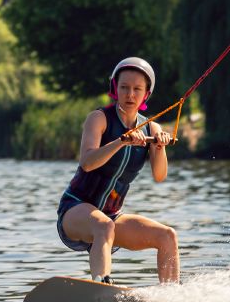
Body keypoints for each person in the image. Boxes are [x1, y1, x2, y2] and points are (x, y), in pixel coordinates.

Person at [56, 57, 180, 284]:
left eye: (136, 89)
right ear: (115, 88)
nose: (130, 94)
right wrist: (121, 142)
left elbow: (160, 176)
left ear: (146, 94)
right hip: (75, 210)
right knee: (103, 225)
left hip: (113, 216)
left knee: (167, 236)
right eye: (124, 87)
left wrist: (159, 147)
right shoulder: (99, 118)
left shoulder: (151, 127)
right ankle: (101, 283)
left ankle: (172, 297)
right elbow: (87, 162)